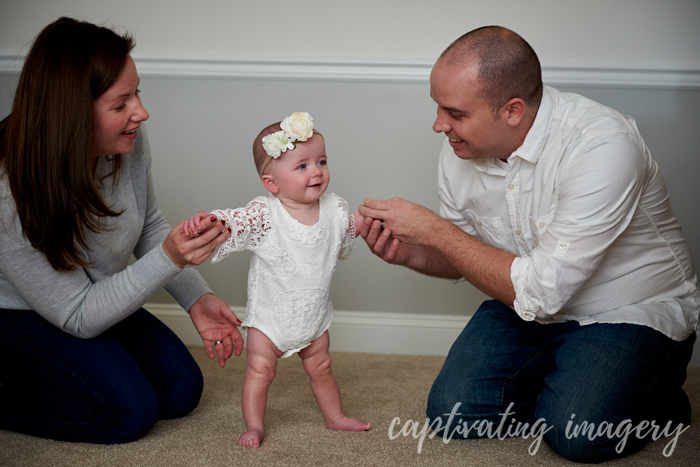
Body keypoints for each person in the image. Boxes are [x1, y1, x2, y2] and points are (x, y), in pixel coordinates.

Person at [358, 26, 698, 463]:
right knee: (453, 416)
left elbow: (538, 286)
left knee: (580, 437)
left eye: (454, 113)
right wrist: (410, 252)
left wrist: (436, 231)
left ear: (513, 111)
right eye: (438, 108)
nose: (439, 125)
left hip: (627, 311)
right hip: (525, 300)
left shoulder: (602, 146)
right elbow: (468, 255)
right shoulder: (460, 149)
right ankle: (571, 381)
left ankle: (655, 395)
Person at [0, 17, 244, 445]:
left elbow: (149, 222)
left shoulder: (124, 141)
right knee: (127, 411)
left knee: (180, 389)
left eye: (137, 93)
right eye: (121, 103)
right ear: (72, 114)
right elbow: (77, 315)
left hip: (89, 294)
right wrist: (170, 258)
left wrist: (197, 297)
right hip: (17, 315)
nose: (141, 112)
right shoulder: (8, 191)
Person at [182, 112, 371, 448]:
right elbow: (234, 222)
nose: (316, 171)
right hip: (270, 320)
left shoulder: (334, 209)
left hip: (313, 317)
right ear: (272, 184)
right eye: (302, 166)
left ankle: (336, 417)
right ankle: (254, 425)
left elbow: (347, 230)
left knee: (322, 366)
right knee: (260, 371)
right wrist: (211, 221)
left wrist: (367, 220)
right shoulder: (266, 214)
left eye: (322, 161)